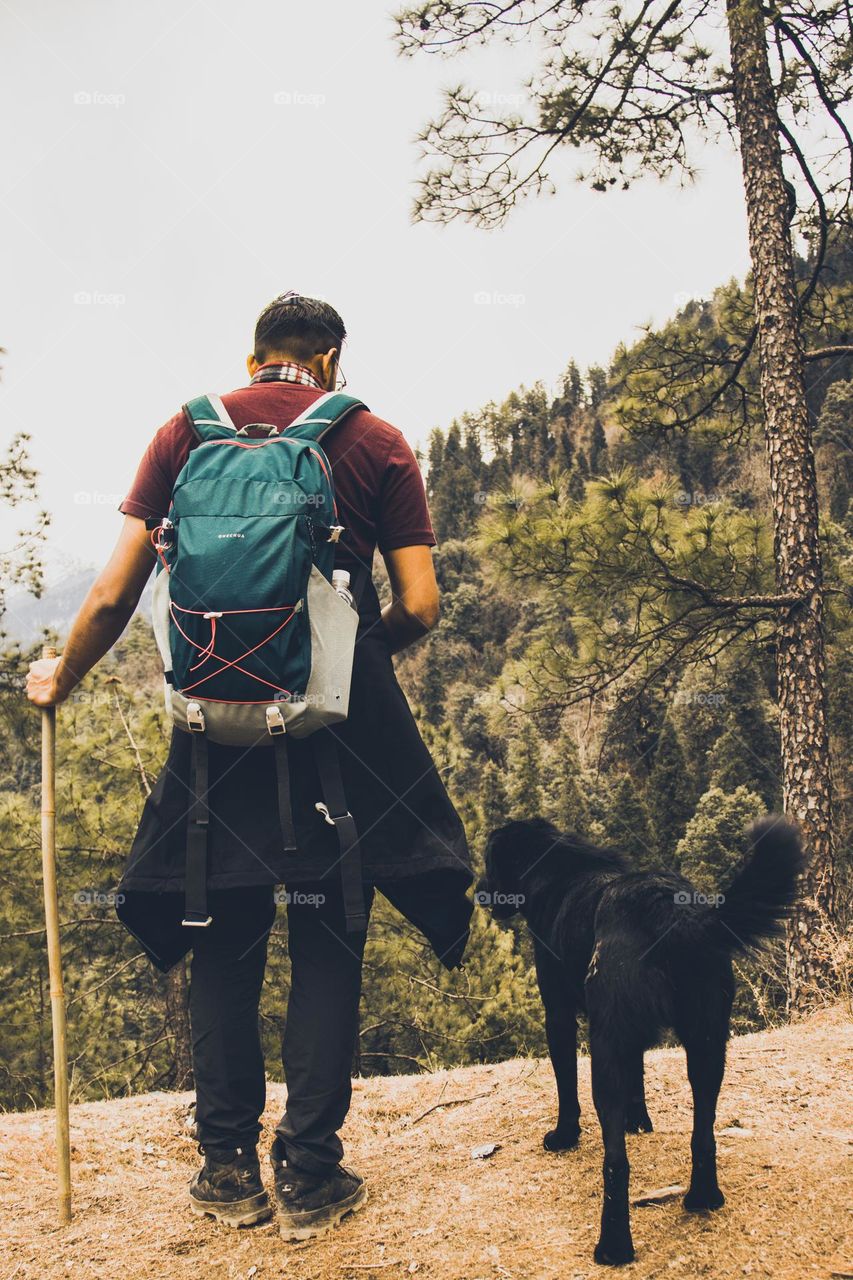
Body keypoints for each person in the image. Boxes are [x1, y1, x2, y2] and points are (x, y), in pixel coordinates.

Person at [26, 293, 473, 1240]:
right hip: (332, 744)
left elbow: (112, 595)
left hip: (213, 739)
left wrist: (59, 678)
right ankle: (310, 1174)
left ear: (254, 357)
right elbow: (423, 604)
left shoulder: (183, 434)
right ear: (332, 361)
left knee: (220, 935)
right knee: (326, 940)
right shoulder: (377, 441)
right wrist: (342, 663)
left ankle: (226, 1170)